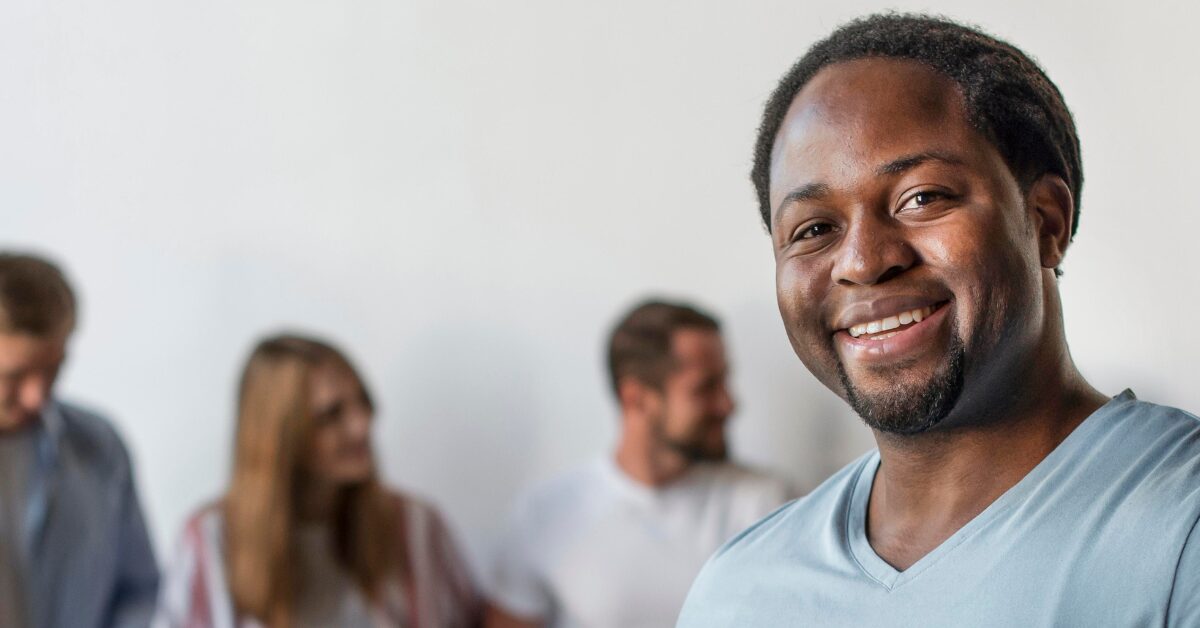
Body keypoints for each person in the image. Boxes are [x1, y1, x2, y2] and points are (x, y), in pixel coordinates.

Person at [676, 13, 1200, 627]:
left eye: (922, 198)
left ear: (1046, 223)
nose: (865, 262)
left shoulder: (1180, 528)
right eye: (814, 229)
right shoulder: (740, 591)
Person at [486, 299, 792, 628]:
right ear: (637, 399)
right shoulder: (544, 515)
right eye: (705, 388)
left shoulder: (771, 507)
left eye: (725, 381)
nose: (728, 404)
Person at [155, 333, 480, 627]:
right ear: (278, 436)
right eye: (331, 414)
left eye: (362, 402)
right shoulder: (209, 541)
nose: (361, 426)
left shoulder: (416, 526)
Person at [0, 252, 160, 628]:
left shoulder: (99, 446)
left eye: (53, 371)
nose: (37, 396)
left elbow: (139, 590)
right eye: (15, 375)